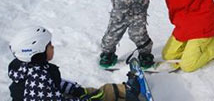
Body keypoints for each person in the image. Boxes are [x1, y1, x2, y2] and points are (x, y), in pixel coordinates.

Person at [8, 26, 146, 101]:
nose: (53, 47)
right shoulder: (36, 81)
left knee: (92, 92)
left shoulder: (35, 68)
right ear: (37, 52)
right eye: (49, 46)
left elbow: (56, 83)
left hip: (55, 96)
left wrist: (77, 91)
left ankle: (126, 91)